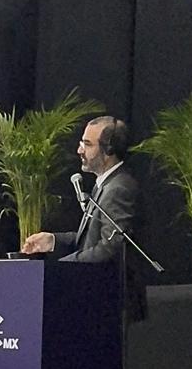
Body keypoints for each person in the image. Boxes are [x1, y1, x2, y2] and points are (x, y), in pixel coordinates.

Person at [21, 113, 148, 320]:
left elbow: (111, 247)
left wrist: (61, 266)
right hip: (98, 300)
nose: (79, 150)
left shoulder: (119, 188)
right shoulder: (106, 184)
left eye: (87, 144)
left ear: (109, 149)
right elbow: (93, 238)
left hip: (110, 304)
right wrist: (52, 240)